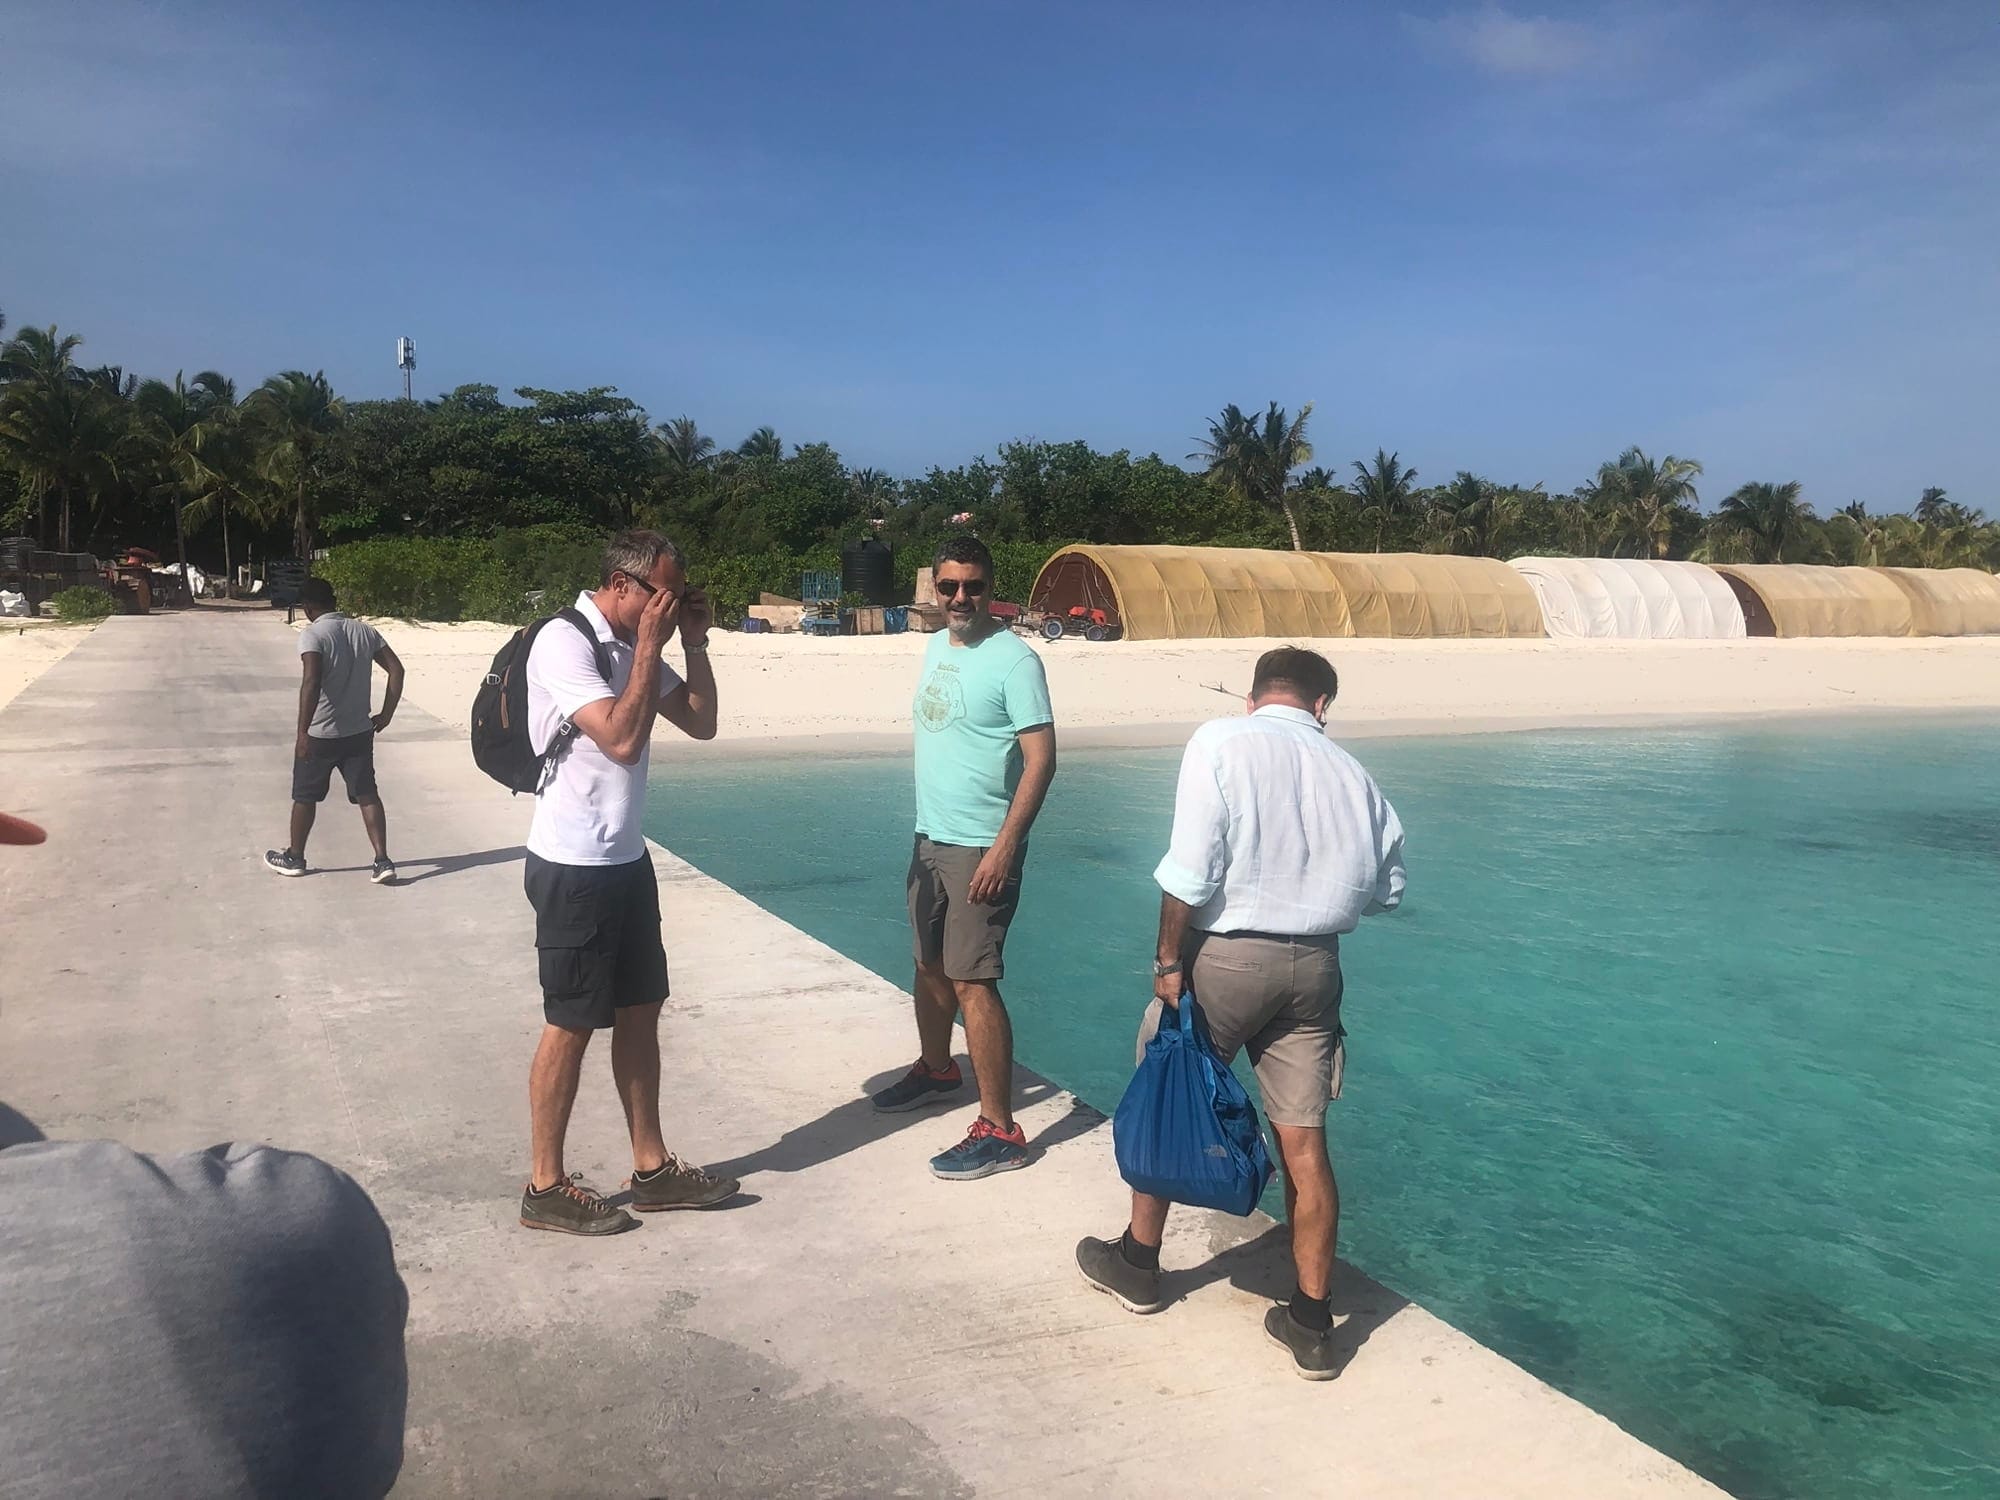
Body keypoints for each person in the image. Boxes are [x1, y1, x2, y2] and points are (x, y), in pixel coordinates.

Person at [1075, 646, 1406, 1380]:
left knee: (1168, 1091)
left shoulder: (1222, 739)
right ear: (1322, 705)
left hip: (1226, 957)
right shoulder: (1353, 772)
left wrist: (1168, 959)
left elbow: (1190, 867)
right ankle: (1312, 1324)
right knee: (1306, 1143)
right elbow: (1388, 891)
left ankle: (1138, 1264)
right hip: (1317, 967)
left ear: (1253, 698)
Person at [518, 530, 738, 1235]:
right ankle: (544, 1186)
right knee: (572, 1021)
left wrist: (693, 643)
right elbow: (620, 738)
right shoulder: (564, 641)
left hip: (625, 861)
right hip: (572, 867)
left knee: (642, 1009)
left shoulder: (630, 644)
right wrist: (649, 646)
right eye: (665, 594)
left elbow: (700, 724)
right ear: (622, 585)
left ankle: (652, 1168)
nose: (671, 606)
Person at [871, 535, 1057, 1181]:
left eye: (972, 587)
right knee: (928, 963)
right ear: (935, 587)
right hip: (930, 836)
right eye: (948, 586)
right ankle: (936, 1069)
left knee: (974, 980)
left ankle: (1001, 1129)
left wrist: (1004, 847)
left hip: (982, 845)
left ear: (990, 588)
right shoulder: (934, 646)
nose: (960, 597)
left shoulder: (1016, 661)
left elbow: (1041, 761)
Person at [265, 578, 405, 884]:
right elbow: (397, 669)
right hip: (359, 731)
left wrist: (302, 733)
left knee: (305, 796)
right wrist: (387, 714)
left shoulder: (313, 634)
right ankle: (382, 860)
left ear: (308, 607)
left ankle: (295, 857)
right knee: (367, 794)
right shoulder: (365, 631)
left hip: (321, 734)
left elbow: (312, 681)